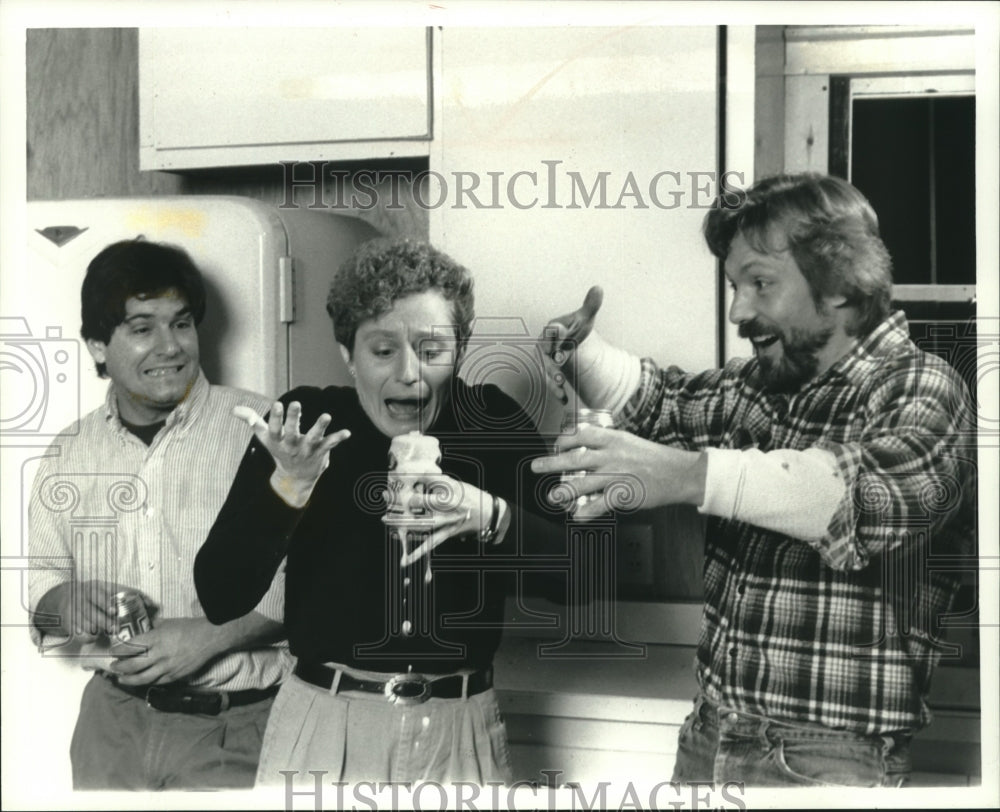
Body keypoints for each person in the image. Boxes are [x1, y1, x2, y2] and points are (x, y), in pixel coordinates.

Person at [531, 173, 975, 787]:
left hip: (828, 759)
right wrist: (579, 349)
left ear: (842, 286)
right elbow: (661, 404)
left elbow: (866, 501)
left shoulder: (922, 387)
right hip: (709, 736)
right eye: (735, 286)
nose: (739, 311)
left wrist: (687, 475)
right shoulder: (758, 388)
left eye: (761, 284)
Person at [193, 237, 566, 786]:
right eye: (383, 350)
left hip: (459, 731)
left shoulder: (494, 423)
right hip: (323, 726)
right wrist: (289, 487)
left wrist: (493, 517)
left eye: (432, 349)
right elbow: (221, 597)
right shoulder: (305, 425)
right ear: (348, 354)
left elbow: (579, 580)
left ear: (460, 349)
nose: (409, 374)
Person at [28, 239, 288, 790]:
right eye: (142, 328)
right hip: (109, 728)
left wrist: (212, 636)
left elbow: (320, 581)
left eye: (182, 323)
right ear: (98, 346)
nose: (170, 347)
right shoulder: (67, 452)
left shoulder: (265, 427)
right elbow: (41, 595)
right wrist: (63, 601)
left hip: (237, 726)